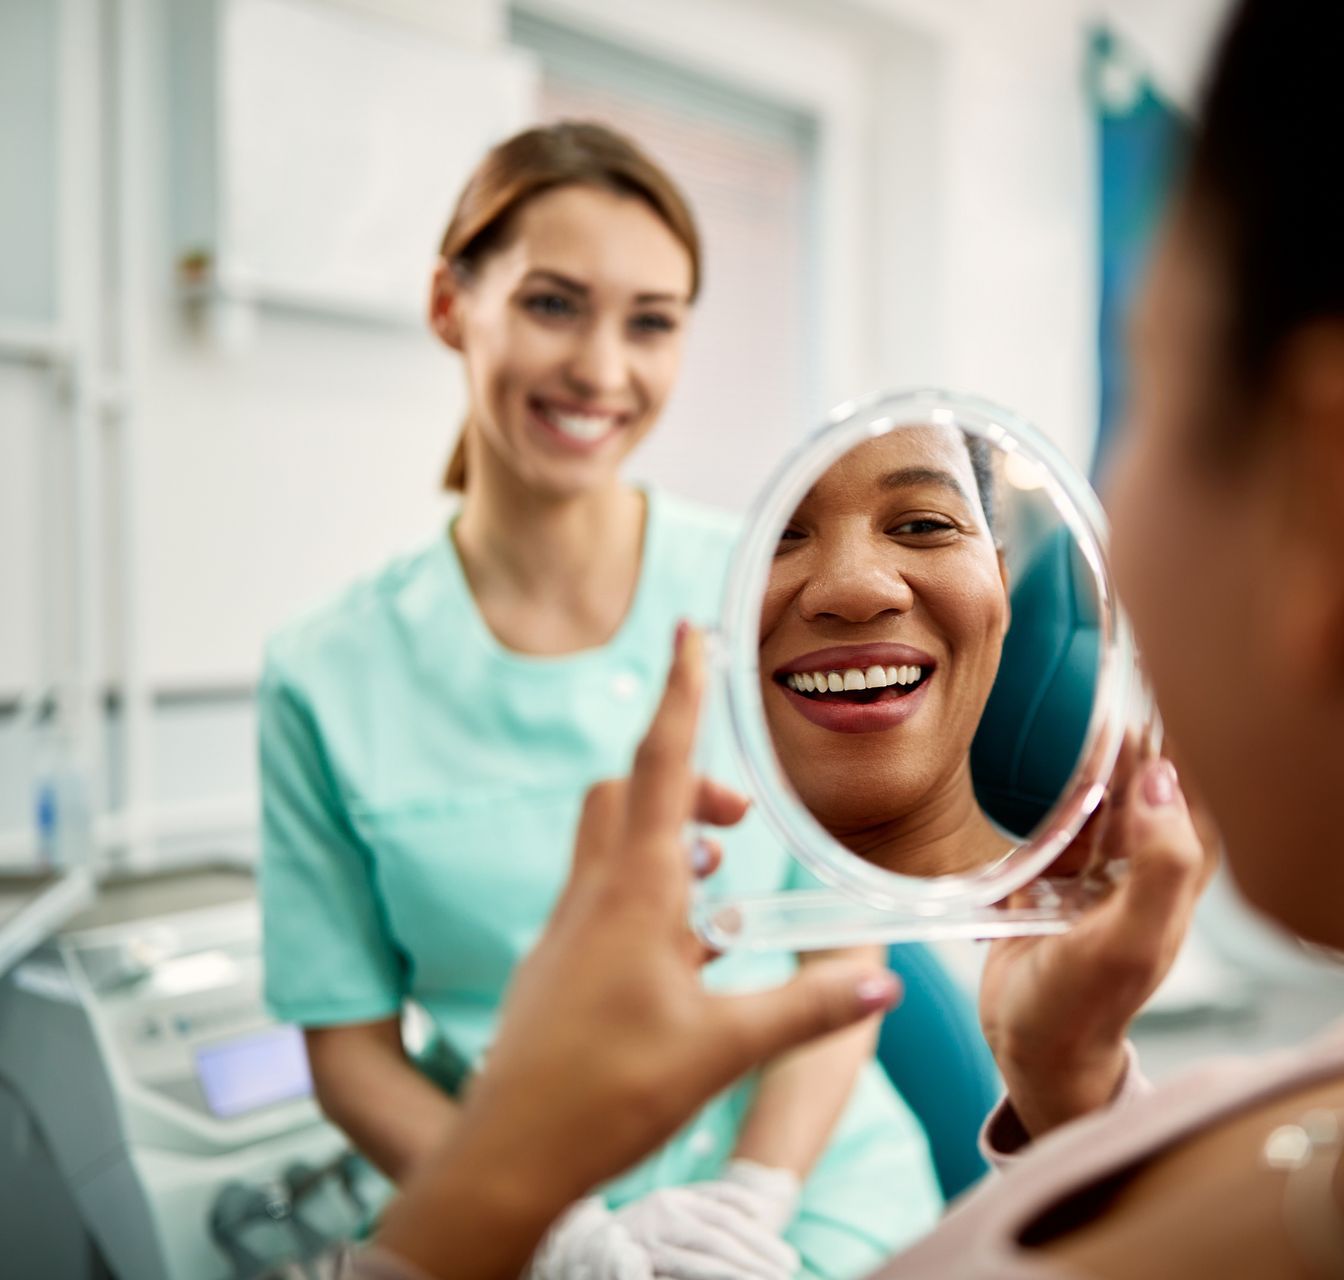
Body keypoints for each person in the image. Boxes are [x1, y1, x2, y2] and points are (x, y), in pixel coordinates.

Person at [339, 6, 1344, 1278]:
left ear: (1339, 493)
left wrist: (485, 1195)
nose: (851, 591)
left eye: (1142, 386)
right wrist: (1076, 1080)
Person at [257, 122, 940, 1280]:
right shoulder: (325, 676)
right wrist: (549, 1226)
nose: (602, 370)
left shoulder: (773, 593)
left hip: (809, 1190)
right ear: (449, 305)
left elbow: (842, 959)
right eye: (554, 304)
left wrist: (753, 1203)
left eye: (652, 322)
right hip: (506, 1213)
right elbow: (352, 1054)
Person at [761, 426, 1013, 876]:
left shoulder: (1126, 916)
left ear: (1001, 586)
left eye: (924, 525)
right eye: (776, 533)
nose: (855, 590)